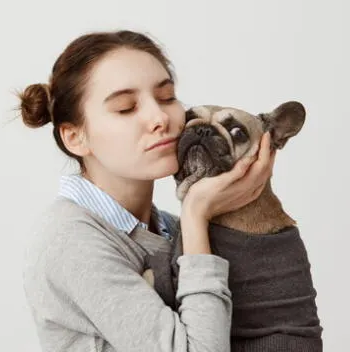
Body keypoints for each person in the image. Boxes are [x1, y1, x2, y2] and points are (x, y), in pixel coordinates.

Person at [18, 30, 275, 352]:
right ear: (75, 137)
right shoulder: (71, 242)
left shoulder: (168, 229)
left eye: (167, 97)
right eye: (126, 108)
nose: (159, 118)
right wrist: (195, 214)